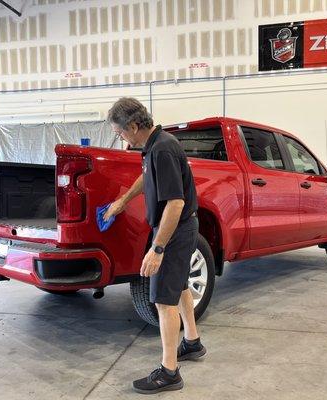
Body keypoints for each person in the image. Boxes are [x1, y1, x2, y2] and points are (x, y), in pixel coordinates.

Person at [104, 97, 206, 394]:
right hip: (180, 227)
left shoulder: (162, 149)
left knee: (163, 301)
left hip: (175, 228)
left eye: (120, 132)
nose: (120, 137)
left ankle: (169, 372)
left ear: (134, 126)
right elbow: (146, 178)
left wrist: (158, 248)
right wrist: (123, 200)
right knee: (180, 286)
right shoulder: (155, 145)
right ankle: (192, 342)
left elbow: (176, 202)